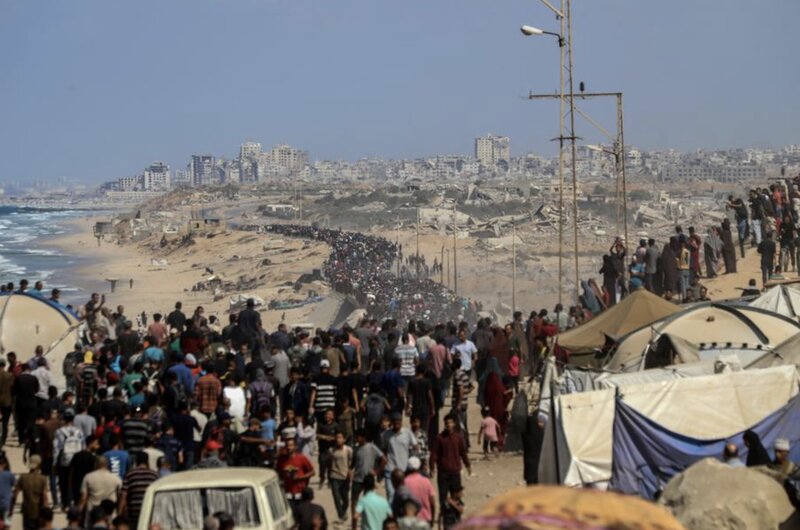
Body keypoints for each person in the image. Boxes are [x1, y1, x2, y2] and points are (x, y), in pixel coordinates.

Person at [430, 414, 470, 511]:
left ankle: (455, 517)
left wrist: (468, 465)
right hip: (443, 472)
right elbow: (434, 453)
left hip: (455, 471)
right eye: (447, 423)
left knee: (456, 496)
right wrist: (432, 467)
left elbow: (463, 452)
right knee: (443, 496)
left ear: (454, 424)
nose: (448, 425)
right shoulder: (440, 438)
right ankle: (444, 516)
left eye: (450, 423)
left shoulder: (458, 438)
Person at [381, 413, 417, 501]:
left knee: (403, 495)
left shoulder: (407, 433)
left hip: (404, 470)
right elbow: (384, 450)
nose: (397, 424)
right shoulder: (385, 434)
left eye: (398, 421)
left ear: (401, 422)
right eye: (394, 422)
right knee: (390, 495)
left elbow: (415, 446)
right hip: (390, 469)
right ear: (391, 423)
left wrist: (413, 460)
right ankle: (392, 514)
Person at [118, 451, 159, 528]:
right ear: (147, 461)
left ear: (136, 461)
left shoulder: (130, 474)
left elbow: (124, 495)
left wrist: (119, 514)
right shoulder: (154, 475)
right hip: (149, 512)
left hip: (133, 514)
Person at [10, 455, 49, 530]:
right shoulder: (43, 479)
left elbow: (15, 494)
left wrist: (11, 508)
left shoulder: (23, 477)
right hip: (39, 513)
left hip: (27, 512)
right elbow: (45, 498)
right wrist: (46, 513)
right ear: (39, 465)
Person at [278, 437, 315, 512]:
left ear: (295, 447)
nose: (289, 448)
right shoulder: (281, 459)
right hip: (287, 491)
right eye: (287, 445)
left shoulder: (301, 458)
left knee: (300, 510)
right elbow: (278, 473)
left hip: (300, 490)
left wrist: (300, 478)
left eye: (291, 445)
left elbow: (312, 472)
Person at [402, 456, 435, 525]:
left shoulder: (404, 482)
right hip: (425, 519)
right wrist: (432, 518)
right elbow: (432, 502)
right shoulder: (426, 481)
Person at [329, 431, 353, 523]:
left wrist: (350, 473)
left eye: (340, 437)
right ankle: (340, 516)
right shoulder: (331, 450)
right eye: (337, 437)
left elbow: (351, 463)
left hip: (345, 477)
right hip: (334, 476)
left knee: (345, 499)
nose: (338, 439)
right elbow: (329, 463)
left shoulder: (348, 450)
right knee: (336, 498)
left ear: (344, 439)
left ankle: (343, 511)